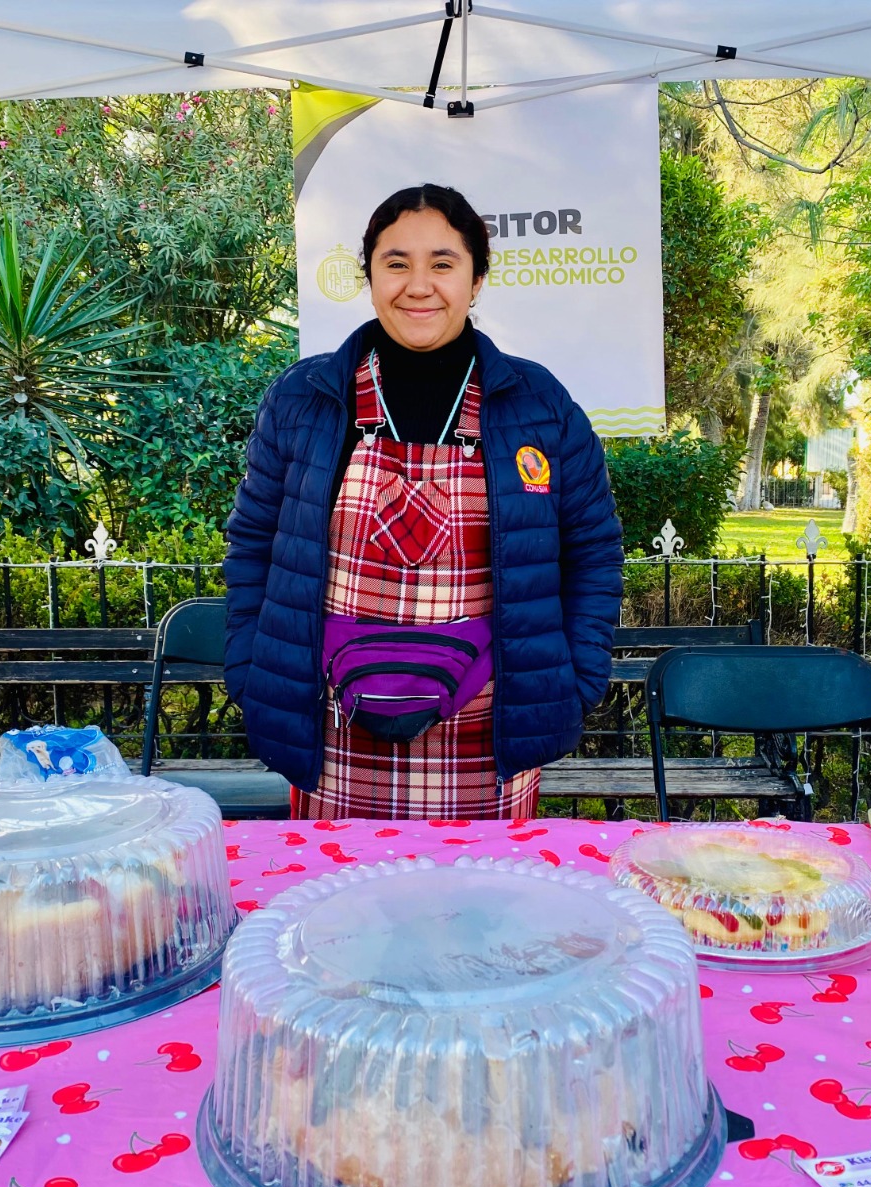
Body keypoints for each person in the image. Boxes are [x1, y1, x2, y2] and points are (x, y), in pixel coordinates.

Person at [225, 183, 623, 821]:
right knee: (337, 909)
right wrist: (252, 670)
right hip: (331, 732)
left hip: (490, 733)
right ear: (370, 275)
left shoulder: (538, 404)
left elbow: (593, 550)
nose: (419, 286)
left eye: (442, 263)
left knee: (487, 914)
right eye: (396, 263)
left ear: (477, 278)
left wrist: (573, 683)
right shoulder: (304, 399)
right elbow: (252, 546)